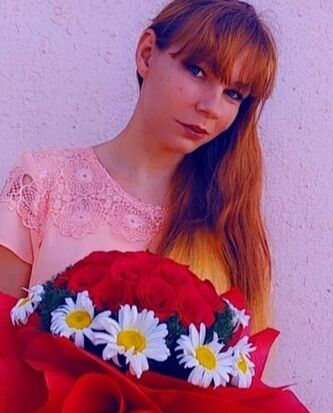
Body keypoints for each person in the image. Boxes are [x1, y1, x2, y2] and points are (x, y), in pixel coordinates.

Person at [0, 0, 277, 333]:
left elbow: (244, 360)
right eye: (197, 71)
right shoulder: (43, 182)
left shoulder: (231, 226)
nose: (211, 107)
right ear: (147, 54)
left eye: (233, 93)